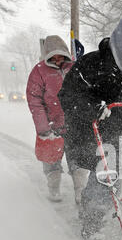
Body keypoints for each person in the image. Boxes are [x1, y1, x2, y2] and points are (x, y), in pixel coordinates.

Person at [58, 9, 122, 240]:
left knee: (111, 175)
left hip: (121, 137)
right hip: (88, 134)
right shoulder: (93, 63)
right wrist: (95, 108)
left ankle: (102, 206)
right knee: (106, 176)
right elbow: (68, 95)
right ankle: (92, 223)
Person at [26, 35, 88, 203]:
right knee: (51, 160)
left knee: (78, 159)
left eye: (61, 55)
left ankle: (80, 191)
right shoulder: (39, 71)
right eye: (53, 56)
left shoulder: (75, 68)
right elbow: (35, 100)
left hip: (75, 124)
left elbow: (85, 92)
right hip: (51, 125)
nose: (57, 59)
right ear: (47, 54)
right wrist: (43, 127)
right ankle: (53, 189)